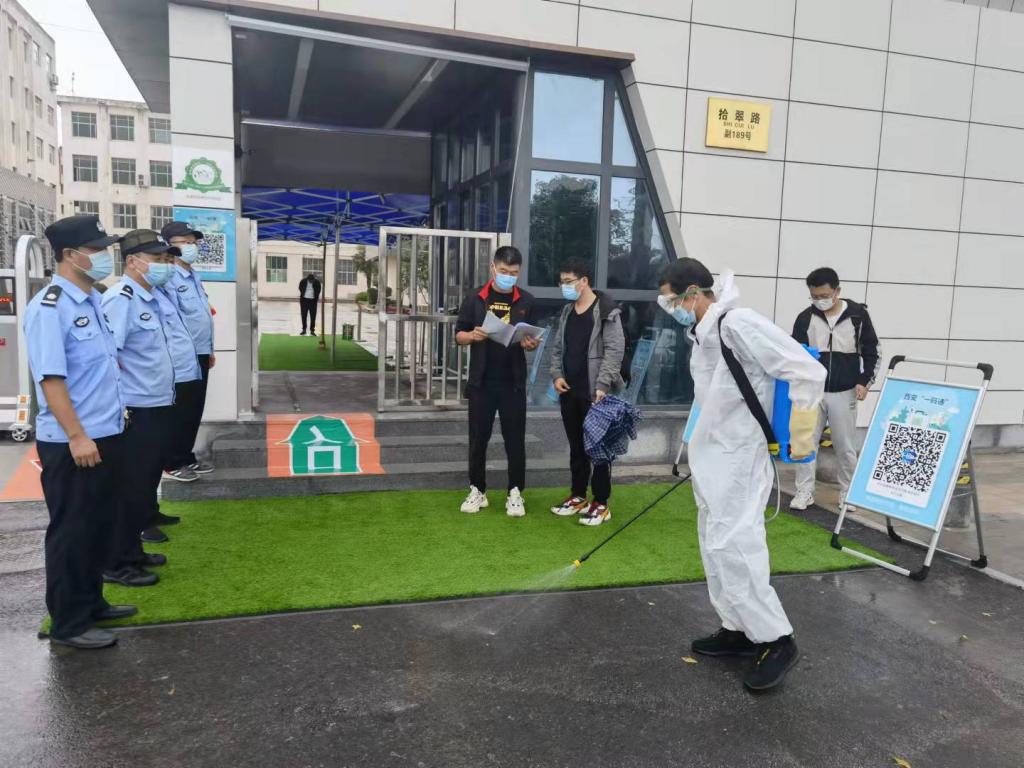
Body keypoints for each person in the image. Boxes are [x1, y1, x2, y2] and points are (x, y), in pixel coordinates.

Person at [660, 258, 824, 692]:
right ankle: (737, 627)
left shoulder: (738, 323)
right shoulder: (703, 335)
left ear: (692, 294)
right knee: (714, 542)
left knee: (737, 543)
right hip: (713, 455)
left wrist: (799, 431)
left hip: (739, 455)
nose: (669, 308)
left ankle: (776, 638)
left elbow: (806, 369)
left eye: (670, 300)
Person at [25, 214, 135, 649]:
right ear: (70, 255)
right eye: (97, 250)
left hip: (106, 432)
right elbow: (52, 380)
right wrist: (76, 436)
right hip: (74, 441)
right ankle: (69, 623)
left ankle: (92, 603)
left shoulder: (91, 299)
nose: (106, 256)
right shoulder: (50, 307)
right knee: (72, 531)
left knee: (97, 525)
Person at [101, 230, 180, 587]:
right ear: (133, 262)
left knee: (143, 485)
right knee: (128, 488)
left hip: (156, 403)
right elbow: (108, 358)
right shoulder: (121, 300)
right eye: (157, 259)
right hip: (135, 409)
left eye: (166, 259)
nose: (165, 265)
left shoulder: (149, 297)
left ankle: (132, 552)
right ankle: (117, 563)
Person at [454, 246, 539, 517]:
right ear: (493, 268)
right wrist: (472, 336)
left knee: (515, 440)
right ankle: (477, 490)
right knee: (478, 438)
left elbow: (533, 340)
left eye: (513, 273)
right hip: (482, 382)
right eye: (503, 271)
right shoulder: (475, 298)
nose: (508, 276)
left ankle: (515, 492)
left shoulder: (526, 301)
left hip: (513, 382)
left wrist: (530, 344)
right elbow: (458, 335)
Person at [790, 268, 880, 511]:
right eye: (815, 296)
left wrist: (865, 382)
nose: (820, 300)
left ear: (837, 291)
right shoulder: (805, 318)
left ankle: (848, 493)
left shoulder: (858, 316)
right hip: (812, 391)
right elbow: (794, 354)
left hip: (844, 390)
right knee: (805, 443)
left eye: (824, 295)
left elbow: (872, 351)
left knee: (845, 446)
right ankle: (804, 491)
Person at [548, 257, 625, 526]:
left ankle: (601, 503)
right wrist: (557, 375)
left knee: (599, 449)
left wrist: (603, 385)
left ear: (584, 281)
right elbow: (558, 347)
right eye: (562, 282)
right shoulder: (567, 311)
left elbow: (615, 350)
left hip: (596, 393)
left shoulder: (606, 310)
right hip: (569, 391)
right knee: (577, 447)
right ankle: (578, 495)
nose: (565, 286)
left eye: (569, 281)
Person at [161, 221, 215, 479]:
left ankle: (185, 456)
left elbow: (202, 316)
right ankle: (172, 462)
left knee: (194, 408)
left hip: (200, 353)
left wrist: (210, 349)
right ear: (169, 246)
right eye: (185, 242)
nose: (191, 247)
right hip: (181, 357)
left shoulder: (193, 275)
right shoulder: (168, 277)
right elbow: (172, 321)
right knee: (180, 410)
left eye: (193, 242)